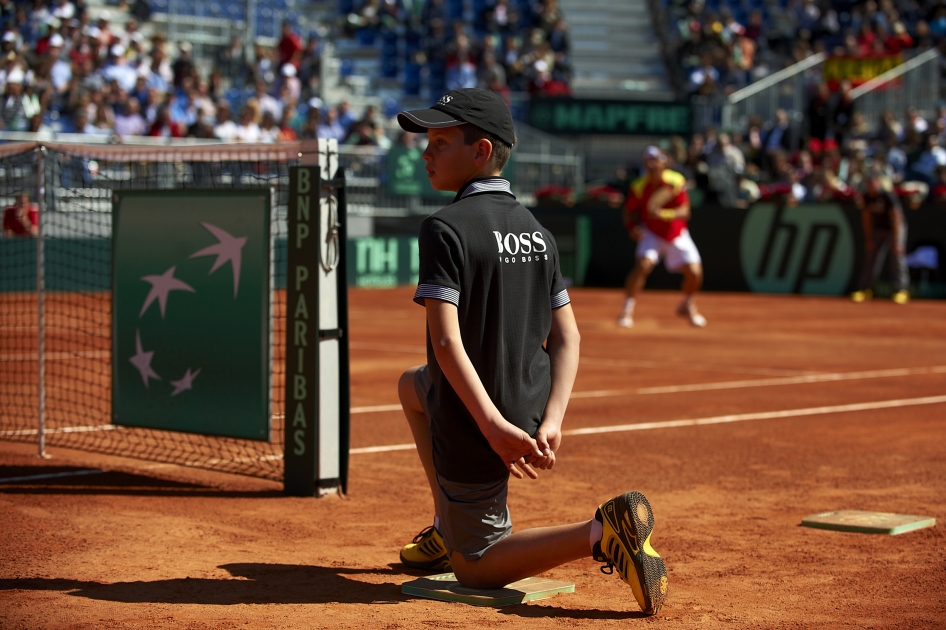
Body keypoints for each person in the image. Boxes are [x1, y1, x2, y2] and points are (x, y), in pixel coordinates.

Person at [393, 88, 668, 615]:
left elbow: (447, 342)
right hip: (529, 408)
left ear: (481, 151)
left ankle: (599, 531)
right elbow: (569, 337)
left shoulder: (444, 228)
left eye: (441, 142)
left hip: (480, 418)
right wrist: (553, 419)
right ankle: (445, 521)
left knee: (474, 563)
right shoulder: (538, 233)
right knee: (412, 385)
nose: (426, 153)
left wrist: (492, 428)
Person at [617, 146, 706, 328]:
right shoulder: (639, 186)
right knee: (643, 266)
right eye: (648, 160)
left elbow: (685, 211)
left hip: (677, 233)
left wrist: (664, 214)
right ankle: (627, 310)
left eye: (655, 160)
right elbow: (629, 213)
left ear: (664, 162)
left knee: (695, 274)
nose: (651, 164)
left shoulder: (676, 181)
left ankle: (687, 305)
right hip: (652, 233)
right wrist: (633, 228)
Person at [850, 172, 910, 305]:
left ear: (878, 182)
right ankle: (866, 289)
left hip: (895, 229)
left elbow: (897, 219)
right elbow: (866, 218)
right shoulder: (867, 197)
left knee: (897, 257)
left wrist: (897, 241)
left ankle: (901, 290)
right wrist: (869, 239)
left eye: (872, 182)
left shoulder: (888, 196)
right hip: (878, 230)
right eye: (868, 182)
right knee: (871, 256)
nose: (870, 185)